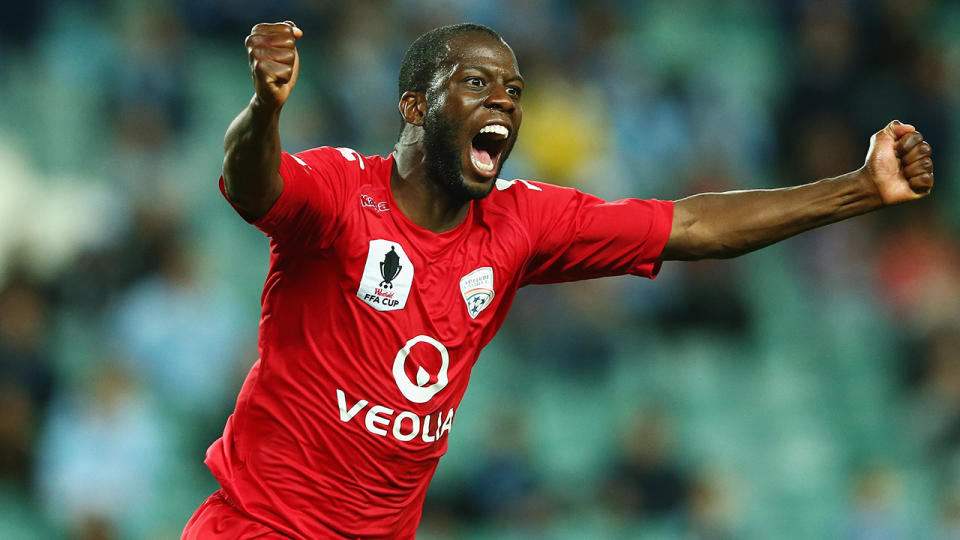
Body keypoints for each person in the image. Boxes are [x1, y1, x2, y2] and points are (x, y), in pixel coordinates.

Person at [181, 21, 934, 540]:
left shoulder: (522, 222)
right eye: (477, 82)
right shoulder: (343, 193)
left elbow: (693, 227)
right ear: (414, 106)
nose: (504, 102)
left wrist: (860, 189)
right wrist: (264, 110)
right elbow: (252, 184)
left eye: (513, 91)